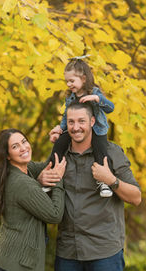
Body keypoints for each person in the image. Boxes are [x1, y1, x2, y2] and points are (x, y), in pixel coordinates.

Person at [39, 102, 141, 271]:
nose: (76, 127)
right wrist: (41, 180)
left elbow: (136, 197)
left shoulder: (111, 152)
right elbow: (44, 196)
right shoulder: (59, 154)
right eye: (71, 122)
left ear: (93, 121)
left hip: (104, 252)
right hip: (68, 252)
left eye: (81, 121)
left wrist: (111, 180)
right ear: (65, 124)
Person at [0, 128, 66, 271]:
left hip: (7, 254)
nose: (23, 148)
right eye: (15, 146)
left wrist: (60, 140)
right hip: (19, 266)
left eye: (24, 141)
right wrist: (57, 178)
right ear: (8, 155)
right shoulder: (21, 182)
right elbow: (55, 214)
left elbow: (49, 164)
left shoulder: (23, 169)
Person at [49, 55, 115, 197]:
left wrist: (97, 99)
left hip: (97, 130)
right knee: (59, 144)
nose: (69, 84)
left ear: (83, 79)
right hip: (76, 130)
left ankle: (104, 183)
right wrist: (61, 128)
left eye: (72, 81)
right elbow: (67, 115)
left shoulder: (94, 93)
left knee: (101, 151)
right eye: (67, 81)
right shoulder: (70, 97)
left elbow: (111, 108)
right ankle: (51, 174)